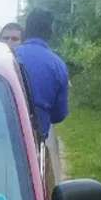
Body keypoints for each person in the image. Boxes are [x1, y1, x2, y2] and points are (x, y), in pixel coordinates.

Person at [16, 8, 69, 139]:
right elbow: (59, 115)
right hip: (36, 138)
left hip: (6, 136)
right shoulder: (58, 65)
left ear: (25, 31)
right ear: (50, 32)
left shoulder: (10, 56)